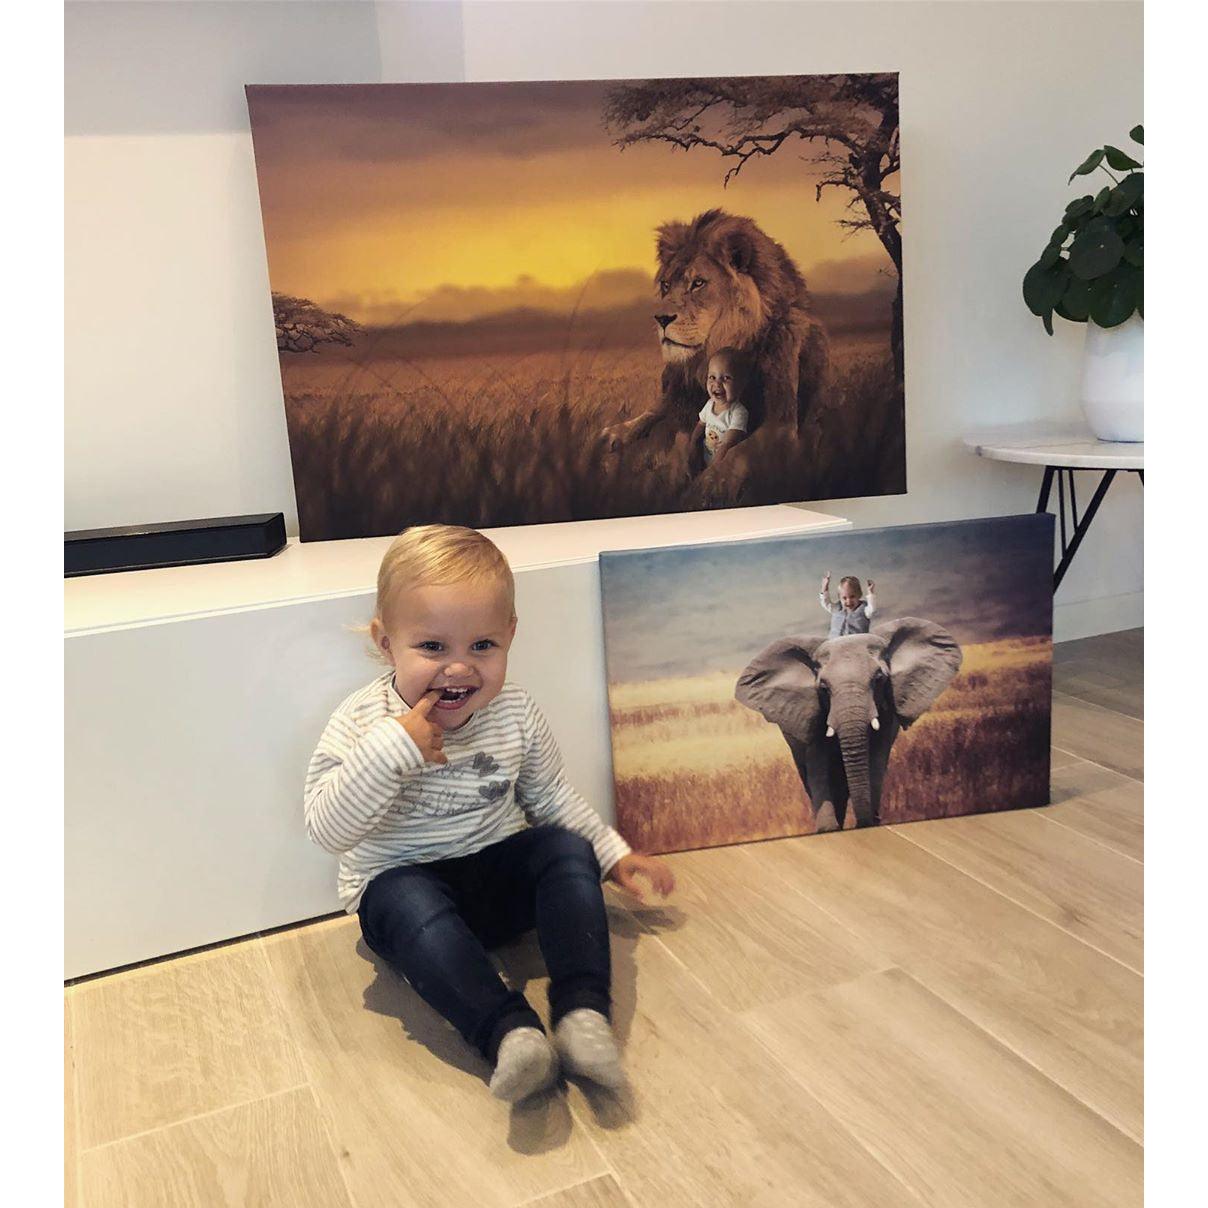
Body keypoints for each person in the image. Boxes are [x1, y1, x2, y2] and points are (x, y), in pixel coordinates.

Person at [304, 525, 675, 1103]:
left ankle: (582, 1014)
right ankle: (509, 1033)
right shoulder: (361, 722)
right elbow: (327, 829)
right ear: (386, 644)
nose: (459, 669)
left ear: (510, 636)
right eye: (432, 648)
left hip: (497, 882)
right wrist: (391, 749)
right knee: (399, 896)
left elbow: (551, 795)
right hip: (409, 894)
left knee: (562, 846)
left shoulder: (515, 712)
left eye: (482, 646)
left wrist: (611, 854)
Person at [690, 347, 751, 473]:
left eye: (726, 378)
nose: (717, 384)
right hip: (705, 458)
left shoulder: (738, 413)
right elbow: (700, 424)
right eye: (712, 377)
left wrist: (711, 472)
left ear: (741, 384)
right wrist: (693, 444)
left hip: (722, 467)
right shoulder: (709, 405)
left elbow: (727, 444)